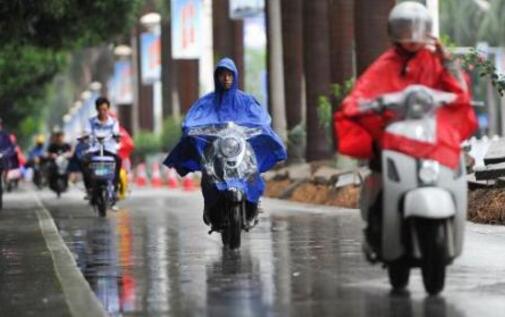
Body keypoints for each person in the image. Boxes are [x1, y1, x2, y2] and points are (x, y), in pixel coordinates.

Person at [334, 2, 478, 255]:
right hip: (394, 134)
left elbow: (459, 91)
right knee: (378, 168)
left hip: (429, 133)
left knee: (453, 160)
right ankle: (377, 224)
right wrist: (358, 104)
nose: (412, 36)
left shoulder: (436, 61)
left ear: (428, 31)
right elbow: (362, 92)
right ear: (394, 32)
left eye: (418, 28)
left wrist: (448, 63)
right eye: (405, 28)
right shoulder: (385, 64)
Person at [164, 57, 287, 226]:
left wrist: (261, 128)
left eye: (229, 75)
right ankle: (210, 206)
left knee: (252, 170)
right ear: (217, 77)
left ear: (235, 76)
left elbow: (261, 118)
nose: (226, 78)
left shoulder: (246, 100)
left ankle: (253, 203)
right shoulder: (206, 102)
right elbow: (191, 120)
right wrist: (191, 130)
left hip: (239, 148)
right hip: (216, 151)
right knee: (209, 174)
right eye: (222, 75)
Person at [84, 97, 121, 199]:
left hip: (109, 150)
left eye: (105, 109)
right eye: (100, 109)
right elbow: (87, 132)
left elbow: (116, 133)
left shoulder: (114, 122)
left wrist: (117, 136)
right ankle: (89, 189)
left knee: (118, 160)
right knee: (85, 162)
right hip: (94, 149)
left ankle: (115, 188)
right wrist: (86, 137)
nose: (103, 112)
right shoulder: (90, 122)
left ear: (108, 109)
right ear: (97, 109)